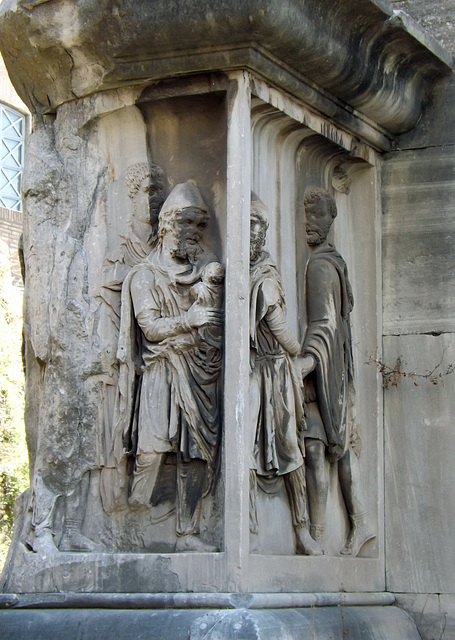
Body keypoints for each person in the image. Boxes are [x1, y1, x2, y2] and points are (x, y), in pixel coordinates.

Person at [109, 181, 223, 552]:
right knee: (153, 449)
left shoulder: (201, 274)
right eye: (188, 223)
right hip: (161, 372)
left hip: (200, 371)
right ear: (168, 224)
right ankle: (132, 523)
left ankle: (187, 532)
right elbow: (151, 329)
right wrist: (188, 320)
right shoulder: (145, 276)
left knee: (196, 453)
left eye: (200, 226)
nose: (194, 233)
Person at [301, 186, 375, 556]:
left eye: (316, 215)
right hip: (334, 370)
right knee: (330, 446)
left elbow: (325, 325)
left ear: (330, 220)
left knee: (331, 445)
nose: (309, 222)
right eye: (307, 214)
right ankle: (348, 526)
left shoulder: (320, 265)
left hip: (323, 371)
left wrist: (307, 362)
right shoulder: (332, 262)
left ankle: (337, 529)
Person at [249, 193, 322, 556]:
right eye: (243, 224)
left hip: (274, 372)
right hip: (249, 372)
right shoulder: (237, 272)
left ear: (261, 233)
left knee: (290, 448)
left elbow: (280, 330)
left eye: (253, 226)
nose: (247, 233)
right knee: (243, 445)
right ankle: (247, 526)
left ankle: (302, 530)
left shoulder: (265, 278)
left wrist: (303, 355)